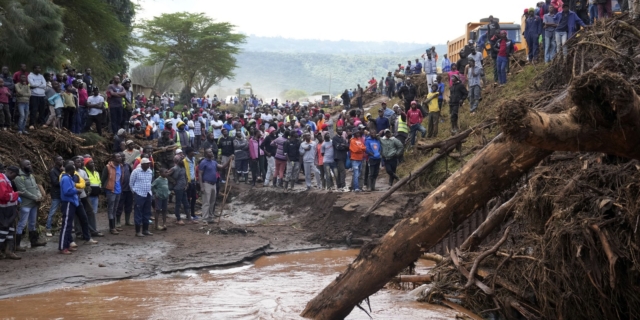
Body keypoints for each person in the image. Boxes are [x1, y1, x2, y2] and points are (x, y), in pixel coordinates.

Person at [14, 160, 47, 250]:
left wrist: (39, 196)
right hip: (25, 205)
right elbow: (23, 191)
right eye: (27, 164)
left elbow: (36, 188)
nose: (30, 165)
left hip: (34, 204)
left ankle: (34, 241)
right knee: (22, 224)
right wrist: (34, 197)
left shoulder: (31, 176)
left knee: (32, 223)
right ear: (22, 166)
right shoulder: (19, 178)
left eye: (30, 163)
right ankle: (17, 245)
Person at [199, 149, 232, 224]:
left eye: (212, 151)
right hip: (206, 184)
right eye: (210, 152)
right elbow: (200, 174)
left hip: (213, 184)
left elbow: (222, 167)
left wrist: (229, 160)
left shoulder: (214, 162)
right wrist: (201, 186)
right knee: (206, 202)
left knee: (212, 202)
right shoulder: (203, 162)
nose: (212, 153)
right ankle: (204, 219)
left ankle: (210, 217)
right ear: (206, 154)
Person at [58, 164, 81, 255]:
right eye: (74, 170)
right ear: (71, 170)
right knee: (66, 225)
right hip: (67, 203)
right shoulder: (66, 178)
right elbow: (67, 191)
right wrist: (76, 191)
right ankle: (62, 247)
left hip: (71, 203)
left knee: (69, 226)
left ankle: (67, 244)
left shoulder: (69, 178)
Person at [0, 163, 20, 259]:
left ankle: (9, 251)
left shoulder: (6, 180)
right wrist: (16, 194)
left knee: (10, 231)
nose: (14, 178)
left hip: (10, 209)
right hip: (4, 210)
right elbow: (3, 196)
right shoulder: (2, 180)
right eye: (14, 175)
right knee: (3, 231)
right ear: (10, 172)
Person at [130, 158, 154, 237]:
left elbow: (150, 182)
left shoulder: (150, 171)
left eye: (149, 163)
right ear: (142, 164)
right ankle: (138, 231)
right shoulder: (136, 171)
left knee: (147, 212)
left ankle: (145, 230)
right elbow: (131, 183)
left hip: (148, 193)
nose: (148, 165)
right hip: (139, 194)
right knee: (138, 212)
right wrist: (135, 192)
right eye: (147, 163)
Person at [101, 153, 124, 235]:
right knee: (111, 208)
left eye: (120, 156)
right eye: (118, 156)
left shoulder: (121, 166)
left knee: (115, 208)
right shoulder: (108, 167)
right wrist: (104, 189)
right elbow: (103, 179)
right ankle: (112, 228)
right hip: (110, 190)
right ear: (113, 158)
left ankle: (114, 226)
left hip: (118, 190)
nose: (120, 157)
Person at [167, 156, 191, 225]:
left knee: (186, 203)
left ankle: (189, 218)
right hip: (178, 188)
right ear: (177, 161)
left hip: (183, 188)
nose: (182, 161)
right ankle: (178, 219)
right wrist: (173, 181)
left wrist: (186, 185)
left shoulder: (183, 167)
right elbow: (167, 175)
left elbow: (185, 177)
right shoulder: (174, 168)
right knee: (178, 203)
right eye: (180, 160)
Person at [116, 153, 133, 227]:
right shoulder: (117, 166)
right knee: (119, 206)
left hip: (129, 189)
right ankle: (118, 221)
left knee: (129, 206)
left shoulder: (128, 165)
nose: (122, 158)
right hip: (121, 189)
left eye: (123, 156)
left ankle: (127, 220)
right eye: (121, 157)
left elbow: (131, 174)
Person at [182, 147, 199, 220]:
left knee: (194, 198)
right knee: (188, 199)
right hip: (188, 182)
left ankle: (192, 213)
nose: (194, 153)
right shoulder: (184, 161)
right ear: (188, 153)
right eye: (192, 152)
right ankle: (188, 214)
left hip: (193, 181)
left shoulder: (193, 160)